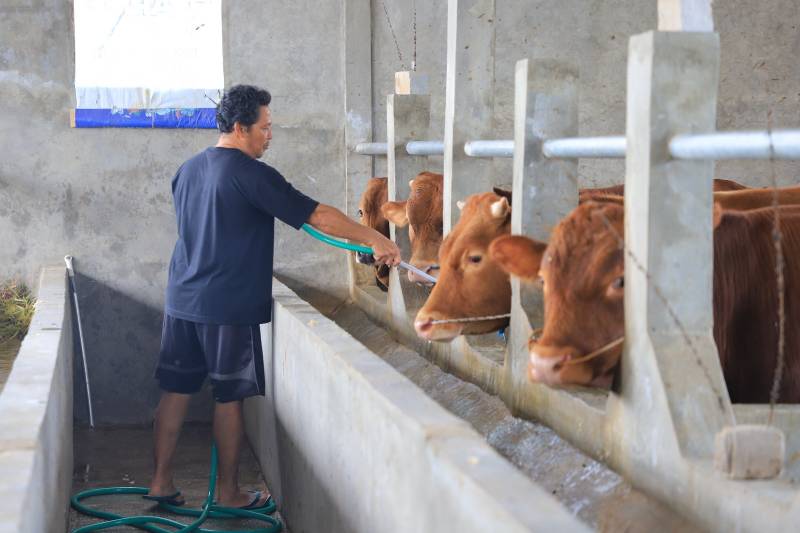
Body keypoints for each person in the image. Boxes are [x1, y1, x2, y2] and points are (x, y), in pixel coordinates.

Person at [145, 84, 401, 509]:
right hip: (226, 306)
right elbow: (316, 215)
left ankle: (158, 484)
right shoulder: (251, 174)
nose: (270, 135)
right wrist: (374, 237)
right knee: (230, 398)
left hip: (182, 301)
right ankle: (228, 493)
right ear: (242, 127)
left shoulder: (188, 169)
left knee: (175, 390)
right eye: (265, 128)